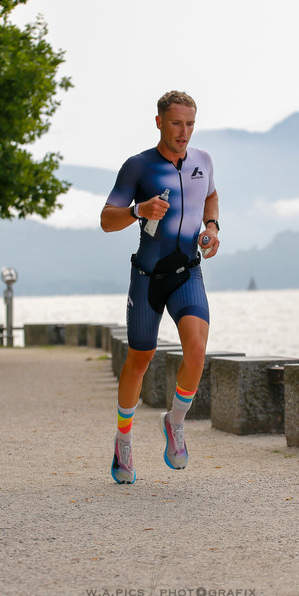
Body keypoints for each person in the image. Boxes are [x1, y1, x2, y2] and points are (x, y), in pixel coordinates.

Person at [100, 90, 220, 484]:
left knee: (198, 350)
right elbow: (106, 219)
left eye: (189, 124)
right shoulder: (138, 167)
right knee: (140, 358)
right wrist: (138, 210)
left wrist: (212, 228)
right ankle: (123, 441)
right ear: (159, 122)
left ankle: (175, 422)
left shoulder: (202, 161)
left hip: (188, 270)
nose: (184, 132)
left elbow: (211, 195)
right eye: (176, 123)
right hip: (148, 276)